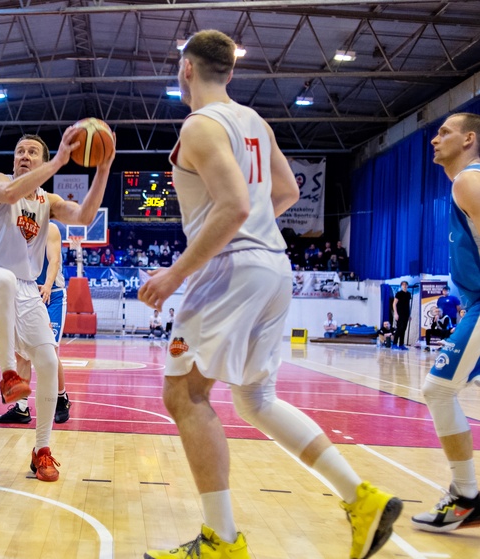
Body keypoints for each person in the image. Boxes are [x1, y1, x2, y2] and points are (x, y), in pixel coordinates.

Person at [138, 30, 401, 559]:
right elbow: (288, 192)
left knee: (184, 394)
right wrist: (255, 235)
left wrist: (174, 274)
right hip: (273, 266)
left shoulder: (199, 126)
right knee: (256, 399)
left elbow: (234, 207)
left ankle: (221, 541)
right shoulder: (255, 122)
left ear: (187, 69)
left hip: (232, 268)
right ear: (229, 72)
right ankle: (362, 496)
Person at [0, 126, 114, 482]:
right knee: (2, 280)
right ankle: (7, 375)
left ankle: (42, 450)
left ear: (43, 162)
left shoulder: (48, 202)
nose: (24, 156)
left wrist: (104, 167)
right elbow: (10, 190)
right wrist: (61, 160)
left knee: (48, 361)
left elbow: (84, 217)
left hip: (28, 288)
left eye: (33, 152)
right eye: (20, 151)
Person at [411, 112, 480, 532]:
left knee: (437, 389)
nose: (435, 140)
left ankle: (467, 494)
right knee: (438, 390)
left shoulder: (468, 181)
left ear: (469, 138)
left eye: (444, 133)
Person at [0, 225, 72, 425]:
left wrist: (47, 284)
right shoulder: (14, 229)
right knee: (21, 353)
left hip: (51, 294)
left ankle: (61, 399)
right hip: (25, 294)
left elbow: (54, 260)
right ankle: (21, 408)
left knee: (49, 352)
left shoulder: (50, 229)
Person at [392, 281, 412, 350]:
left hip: (406, 314)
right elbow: (394, 304)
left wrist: (409, 314)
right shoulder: (398, 294)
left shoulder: (409, 294)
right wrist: (396, 313)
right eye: (403, 285)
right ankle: (394, 344)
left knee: (404, 329)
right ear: (401, 286)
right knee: (399, 328)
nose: (404, 286)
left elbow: (408, 305)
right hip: (399, 313)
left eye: (406, 284)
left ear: (407, 286)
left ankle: (401, 344)